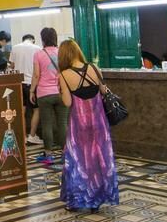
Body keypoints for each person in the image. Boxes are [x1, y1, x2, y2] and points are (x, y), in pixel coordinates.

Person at [57, 39, 121, 212]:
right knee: (99, 159)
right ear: (77, 51)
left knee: (78, 160)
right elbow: (103, 91)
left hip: (78, 124)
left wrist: (62, 89)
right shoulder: (94, 68)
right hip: (99, 122)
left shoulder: (63, 75)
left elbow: (68, 102)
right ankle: (97, 199)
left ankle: (79, 199)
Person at [32, 28, 67, 163]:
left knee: (47, 124)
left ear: (43, 39)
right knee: (63, 123)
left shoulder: (38, 54)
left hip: (44, 94)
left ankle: (48, 155)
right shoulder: (62, 53)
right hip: (61, 91)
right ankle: (65, 153)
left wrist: (32, 91)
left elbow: (36, 74)